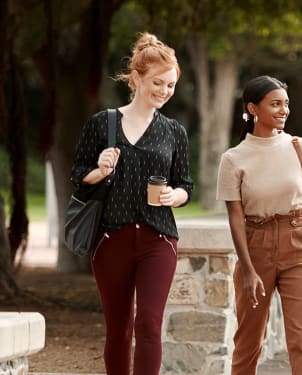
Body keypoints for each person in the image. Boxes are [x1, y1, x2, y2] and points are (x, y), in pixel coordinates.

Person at [69, 32, 194, 375]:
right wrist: (98, 170)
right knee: (119, 330)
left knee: (149, 325)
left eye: (170, 85)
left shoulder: (173, 131)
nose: (165, 91)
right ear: (137, 78)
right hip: (111, 240)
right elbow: (78, 175)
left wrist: (174, 196)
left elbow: (186, 186)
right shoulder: (103, 123)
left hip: (159, 239)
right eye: (158, 82)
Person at [217, 75, 302, 375]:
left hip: (298, 246)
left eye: (286, 104)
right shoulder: (233, 159)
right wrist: (247, 270)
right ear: (253, 109)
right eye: (275, 104)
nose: (283, 110)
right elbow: (235, 217)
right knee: (249, 340)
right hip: (255, 248)